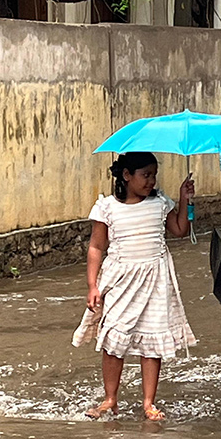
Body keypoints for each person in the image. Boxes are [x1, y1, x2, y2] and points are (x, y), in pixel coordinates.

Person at [72, 152, 196, 420]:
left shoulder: (160, 203)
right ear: (126, 176)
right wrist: (92, 285)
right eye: (145, 175)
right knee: (114, 338)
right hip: (120, 279)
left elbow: (179, 230)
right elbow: (96, 247)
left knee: (151, 342)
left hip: (155, 277)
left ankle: (148, 403)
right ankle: (110, 399)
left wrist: (185, 199)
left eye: (154, 175)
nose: (151, 181)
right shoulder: (107, 208)